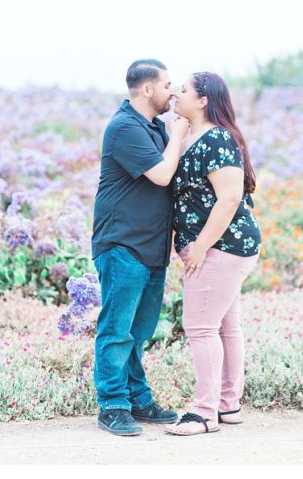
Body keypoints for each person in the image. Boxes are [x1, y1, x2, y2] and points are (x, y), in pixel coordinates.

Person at [91, 59, 189, 436]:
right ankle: (112, 405)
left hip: (150, 247)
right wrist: (177, 135)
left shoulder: (152, 127)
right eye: (168, 85)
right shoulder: (124, 128)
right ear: (147, 90)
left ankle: (137, 398)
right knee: (117, 330)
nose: (173, 91)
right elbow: (163, 175)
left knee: (140, 329)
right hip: (123, 244)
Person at [164, 72, 262, 436]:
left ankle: (204, 414)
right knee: (224, 326)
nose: (176, 93)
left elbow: (230, 197)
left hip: (220, 246)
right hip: (223, 245)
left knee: (201, 327)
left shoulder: (217, 138)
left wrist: (200, 247)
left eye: (184, 90)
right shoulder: (194, 136)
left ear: (203, 100)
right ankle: (228, 405)